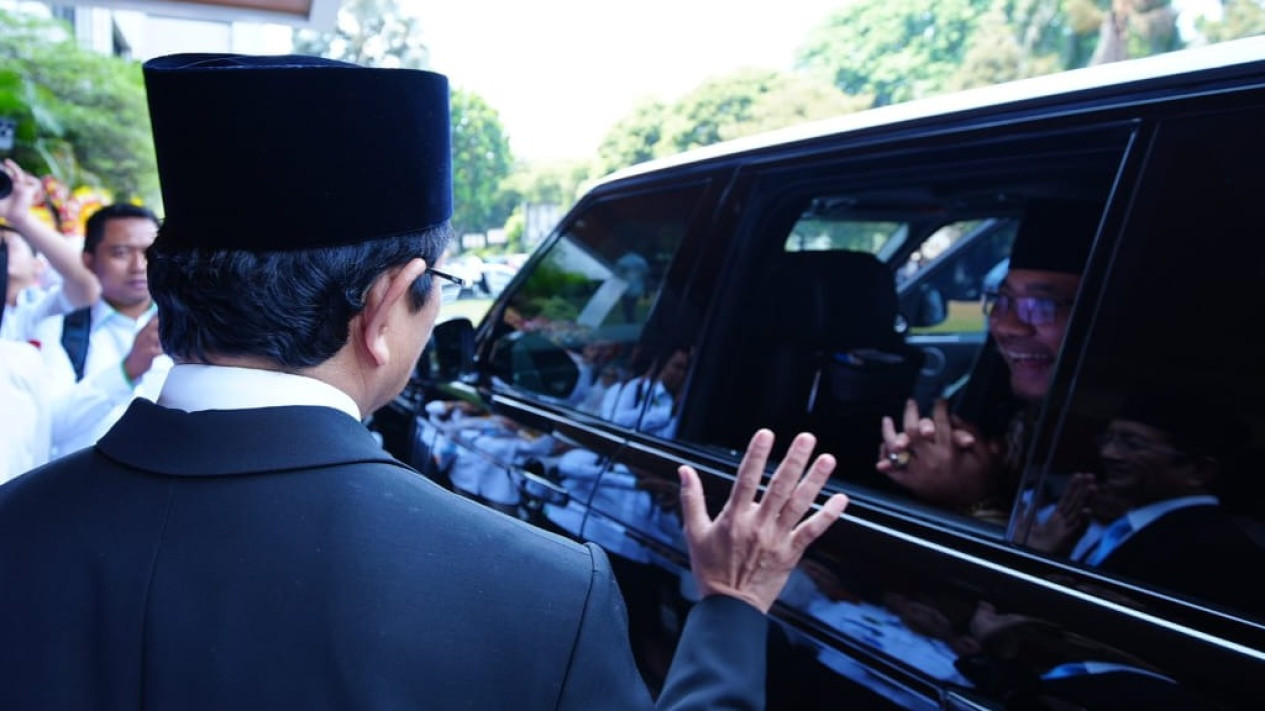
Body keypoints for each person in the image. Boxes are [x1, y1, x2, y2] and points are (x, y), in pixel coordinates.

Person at [0, 53, 849, 709]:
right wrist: (731, 610)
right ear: (378, 311)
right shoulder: (541, 593)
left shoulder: (19, 525)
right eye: (434, 285)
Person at [876, 200, 1102, 518]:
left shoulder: (1136, 453)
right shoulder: (1022, 419)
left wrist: (973, 500)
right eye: (1001, 300)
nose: (1006, 326)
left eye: (1041, 304)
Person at [1027, 390, 1265, 615]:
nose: (1108, 453)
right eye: (1107, 439)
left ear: (1199, 470)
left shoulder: (1211, 550)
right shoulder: (1133, 529)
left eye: (1131, 444)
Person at [31, 202, 171, 460]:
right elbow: (50, 427)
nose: (139, 266)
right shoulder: (58, 332)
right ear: (89, 260)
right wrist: (127, 370)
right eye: (120, 253)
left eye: (150, 252)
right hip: (85, 488)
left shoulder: (190, 328)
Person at [0, 159, 102, 343]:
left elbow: (88, 284)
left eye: (10, 245)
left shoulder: (34, 309)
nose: (4, 253)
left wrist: (20, 217)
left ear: (38, 265)